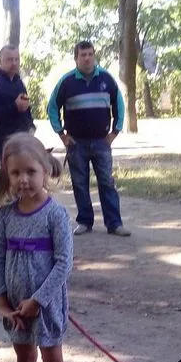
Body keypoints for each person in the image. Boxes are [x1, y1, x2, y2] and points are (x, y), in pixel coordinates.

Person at [0, 133, 73, 362]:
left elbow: (64, 264)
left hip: (46, 306)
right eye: (15, 173)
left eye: (30, 172)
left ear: (45, 171)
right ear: (6, 175)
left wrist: (38, 300)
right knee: (24, 359)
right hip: (15, 308)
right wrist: (1, 301)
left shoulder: (55, 215)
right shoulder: (5, 217)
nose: (23, 180)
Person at [47, 40, 131, 237]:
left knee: (107, 182)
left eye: (90, 54)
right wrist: (61, 134)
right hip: (76, 143)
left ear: (94, 55)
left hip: (102, 142)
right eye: (83, 55)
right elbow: (52, 107)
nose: (87, 58)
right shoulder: (66, 82)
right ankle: (85, 221)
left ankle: (114, 223)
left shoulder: (106, 79)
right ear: (76, 58)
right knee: (79, 183)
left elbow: (119, 104)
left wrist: (115, 132)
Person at [0, 45, 35, 175]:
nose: (14, 63)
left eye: (16, 59)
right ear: (0, 61)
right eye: (9, 59)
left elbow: (26, 108)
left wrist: (31, 125)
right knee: (4, 184)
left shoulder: (19, 83)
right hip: (1, 145)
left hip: (22, 143)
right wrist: (14, 107)